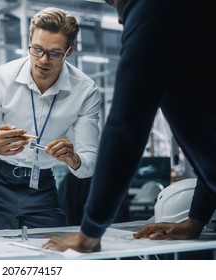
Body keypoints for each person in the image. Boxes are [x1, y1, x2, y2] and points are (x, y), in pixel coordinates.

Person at [43, 0, 216, 253]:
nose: (121, 20)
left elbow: (126, 126)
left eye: (114, 3)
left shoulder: (157, 7)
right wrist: (196, 220)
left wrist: (90, 232)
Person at [0, 7, 101, 230]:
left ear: (69, 51)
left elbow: (90, 162)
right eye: (36, 49)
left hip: (43, 183)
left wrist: (75, 159)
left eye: (54, 53)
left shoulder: (85, 91)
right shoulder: (0, 79)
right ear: (29, 41)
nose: (43, 60)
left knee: (55, 251)